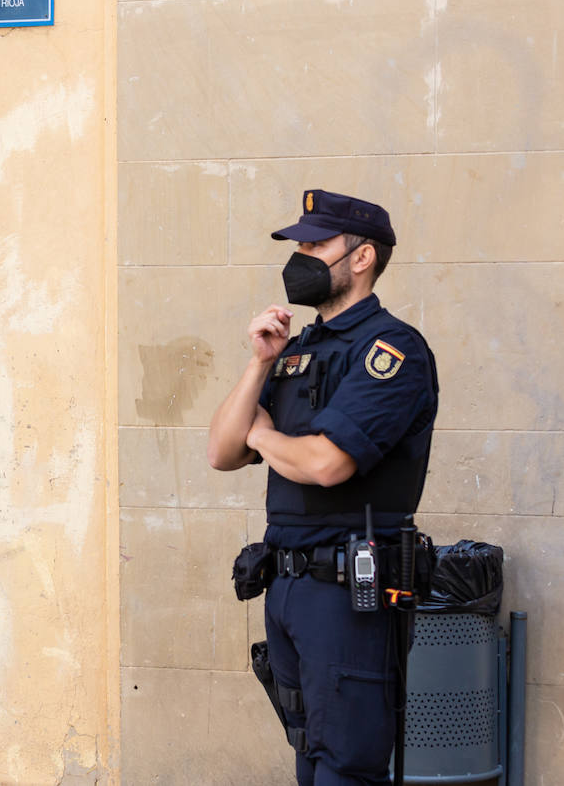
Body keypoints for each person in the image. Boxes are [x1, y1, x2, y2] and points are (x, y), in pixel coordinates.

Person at [207, 190, 439, 785]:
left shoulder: (390, 351)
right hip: (285, 585)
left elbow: (326, 463)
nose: (301, 255)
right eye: (298, 244)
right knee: (309, 758)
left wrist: (265, 438)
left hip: (348, 593)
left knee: (345, 767)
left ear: (361, 258)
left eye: (316, 244)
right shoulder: (297, 350)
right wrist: (259, 362)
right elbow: (221, 450)